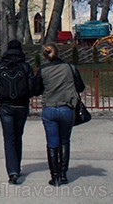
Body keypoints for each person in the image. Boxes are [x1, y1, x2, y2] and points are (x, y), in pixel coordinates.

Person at [33, 43, 85, 186]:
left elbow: (36, 90)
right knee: (64, 141)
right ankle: (63, 174)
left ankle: (54, 176)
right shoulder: (70, 68)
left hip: (49, 108)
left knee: (52, 142)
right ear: (58, 52)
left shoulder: (43, 70)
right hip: (66, 108)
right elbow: (80, 87)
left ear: (45, 55)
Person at [0, 39, 34, 184]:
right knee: (18, 136)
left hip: (6, 106)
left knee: (9, 138)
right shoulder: (26, 66)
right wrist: (25, 96)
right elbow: (32, 87)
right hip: (21, 106)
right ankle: (17, 167)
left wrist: (1, 95)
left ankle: (12, 171)